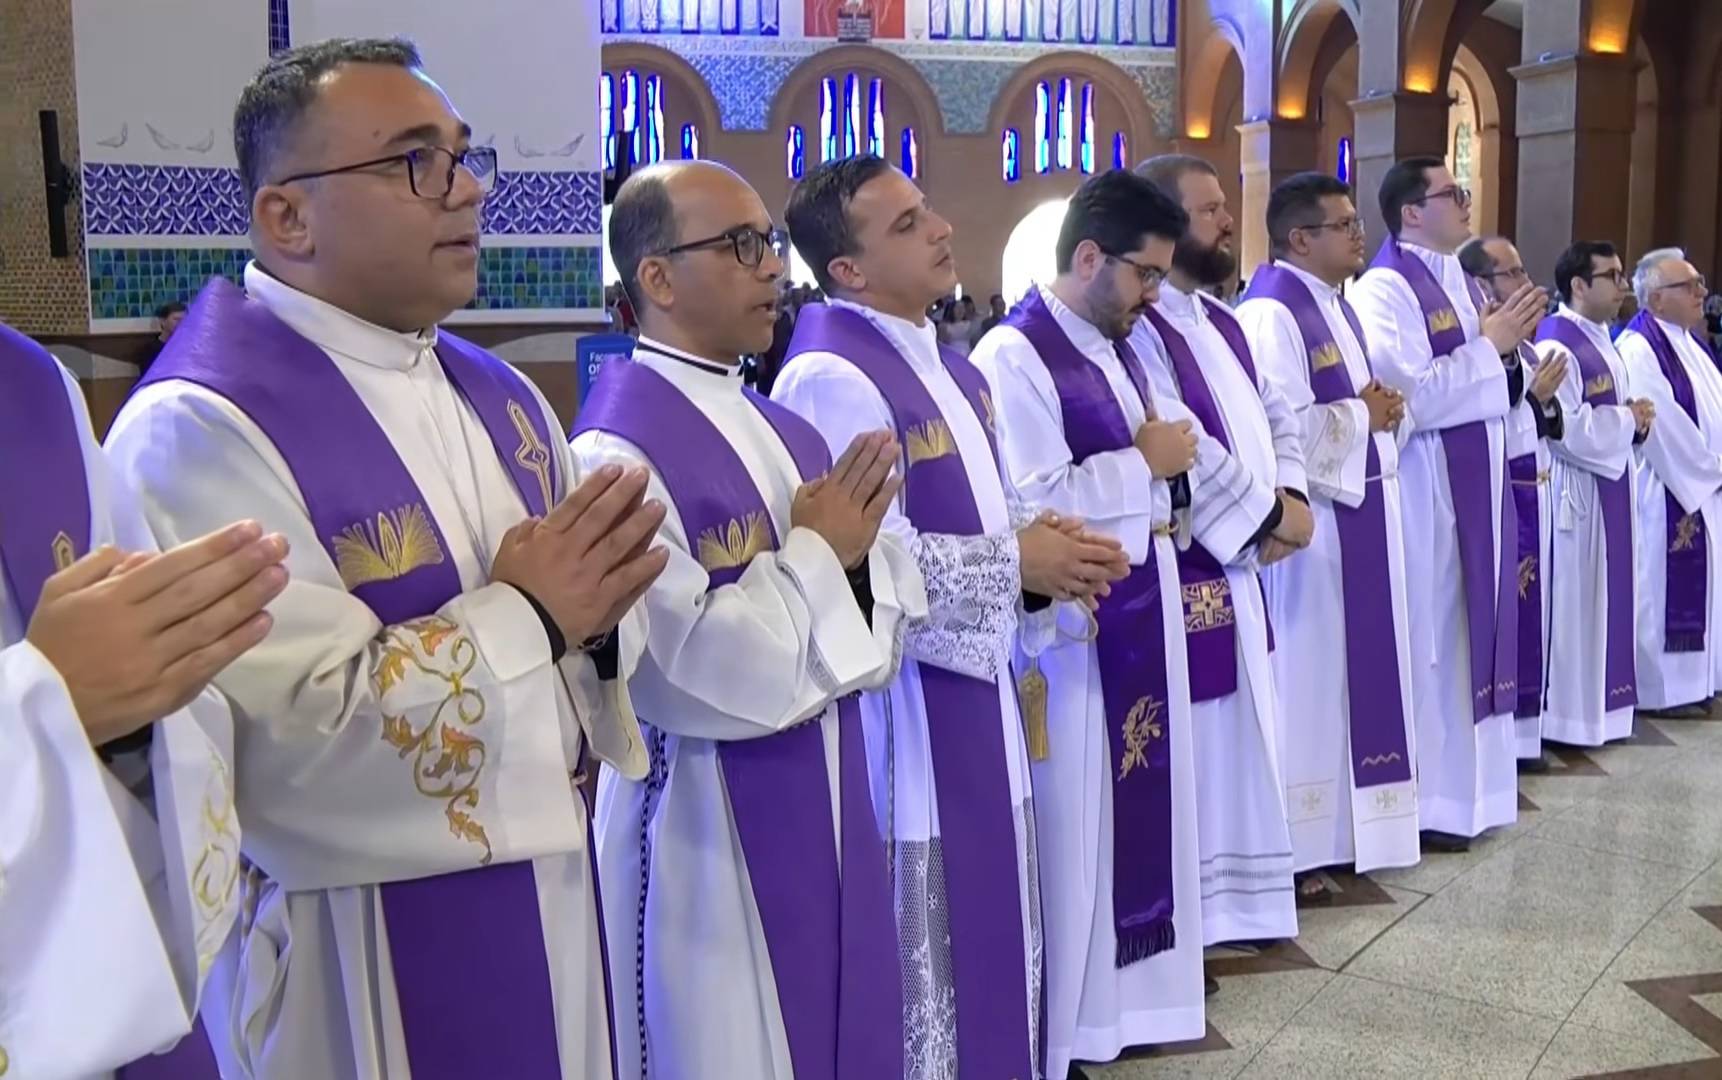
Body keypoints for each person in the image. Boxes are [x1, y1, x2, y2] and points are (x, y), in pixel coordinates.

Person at [105, 38, 668, 1079]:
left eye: (465, 156)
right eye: (417, 161)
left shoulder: (498, 395)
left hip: (546, 902)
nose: (465, 191)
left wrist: (593, 624)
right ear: (287, 215)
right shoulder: (200, 427)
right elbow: (290, 749)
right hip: (352, 958)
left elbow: (578, 651)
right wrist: (533, 618)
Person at [772, 155, 1132, 1080]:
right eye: (905, 225)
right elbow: (864, 568)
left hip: (978, 696)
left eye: (928, 210)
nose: (939, 230)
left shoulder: (944, 362)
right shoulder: (829, 374)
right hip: (907, 716)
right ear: (845, 269)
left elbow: (977, 510)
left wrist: (1040, 541)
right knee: (926, 944)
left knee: (996, 914)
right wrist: (1020, 563)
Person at [572, 159, 921, 1080]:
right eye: (742, 246)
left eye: (768, 243)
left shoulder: (781, 426)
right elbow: (685, 678)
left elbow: (883, 616)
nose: (774, 267)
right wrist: (819, 557)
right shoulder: (614, 452)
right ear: (655, 278)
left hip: (832, 784)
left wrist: (840, 562)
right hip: (700, 820)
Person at [972, 168, 1220, 1076]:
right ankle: (1073, 1025)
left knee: (1138, 808)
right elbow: (1032, 509)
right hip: (1072, 636)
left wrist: (1161, 470)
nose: (1155, 296)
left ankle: (1133, 1002)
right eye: (1146, 275)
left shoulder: (1121, 342)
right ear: (1088, 256)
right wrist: (1141, 465)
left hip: (1140, 597)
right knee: (1080, 830)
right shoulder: (1016, 354)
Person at [0, 324, 285, 1080]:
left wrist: (137, 718)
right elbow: (65, 682)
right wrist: (44, 712)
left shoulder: (31, 389)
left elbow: (144, 664)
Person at [1132, 154, 1305, 946]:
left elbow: (1280, 415)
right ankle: (1197, 911)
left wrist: (1293, 496)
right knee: (1201, 743)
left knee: (1246, 734)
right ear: (1163, 228)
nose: (1228, 223)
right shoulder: (1143, 328)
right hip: (1202, 558)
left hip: (1246, 558)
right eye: (1208, 212)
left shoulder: (1225, 320)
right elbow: (1181, 442)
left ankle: (1240, 901)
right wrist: (1266, 518)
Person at [1350, 157, 1546, 851]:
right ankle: (1431, 800)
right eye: (1451, 193)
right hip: (1431, 497)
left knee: (1475, 632)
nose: (1466, 200)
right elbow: (1409, 399)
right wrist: (1492, 350)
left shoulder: (1459, 280)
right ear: (1410, 211)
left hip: (1479, 489)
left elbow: (1491, 379)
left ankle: (1476, 796)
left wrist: (1511, 356)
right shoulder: (1384, 290)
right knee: (1436, 643)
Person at [1233, 173, 1421, 883]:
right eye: (1342, 224)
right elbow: (1274, 432)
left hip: (1362, 517)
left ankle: (1345, 833)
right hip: (1315, 535)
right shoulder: (1272, 315)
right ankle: (1301, 842)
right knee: (1310, 682)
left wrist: (1380, 413)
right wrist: (1361, 418)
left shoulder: (1333, 306)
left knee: (1349, 678)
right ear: (1299, 238)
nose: (1358, 233)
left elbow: (1355, 405)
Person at [1528, 241, 1648, 746]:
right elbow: (1565, 429)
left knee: (1602, 604)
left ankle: (1601, 713)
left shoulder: (1600, 338)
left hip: (1608, 486)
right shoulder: (1559, 343)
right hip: (1577, 498)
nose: (1622, 285)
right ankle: (1570, 720)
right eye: (1612, 276)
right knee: (1580, 608)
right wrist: (1628, 419)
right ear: (1578, 286)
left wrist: (1633, 421)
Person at [1458, 235, 1567, 770]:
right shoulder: (1481, 338)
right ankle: (1513, 736)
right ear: (1482, 283)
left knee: (1531, 612)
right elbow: (1483, 409)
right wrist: (1530, 393)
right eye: (1513, 273)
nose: (1526, 284)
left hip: (1535, 484)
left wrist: (1539, 400)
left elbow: (1533, 419)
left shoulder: (1524, 344)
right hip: (1506, 487)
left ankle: (1527, 730)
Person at [1616, 249, 1722, 718]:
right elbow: (1662, 423)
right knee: (1661, 585)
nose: (1703, 292)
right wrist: (1712, 469)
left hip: (1706, 489)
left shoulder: (1693, 344)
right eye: (1691, 285)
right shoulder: (1639, 347)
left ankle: (1703, 679)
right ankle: (1665, 691)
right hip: (1668, 490)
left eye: (1700, 283)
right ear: (1656, 299)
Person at [135, 300, 188, 373]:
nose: (181, 323)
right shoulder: (150, 350)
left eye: (184, 320)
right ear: (163, 321)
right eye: (176, 319)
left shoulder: (189, 347)